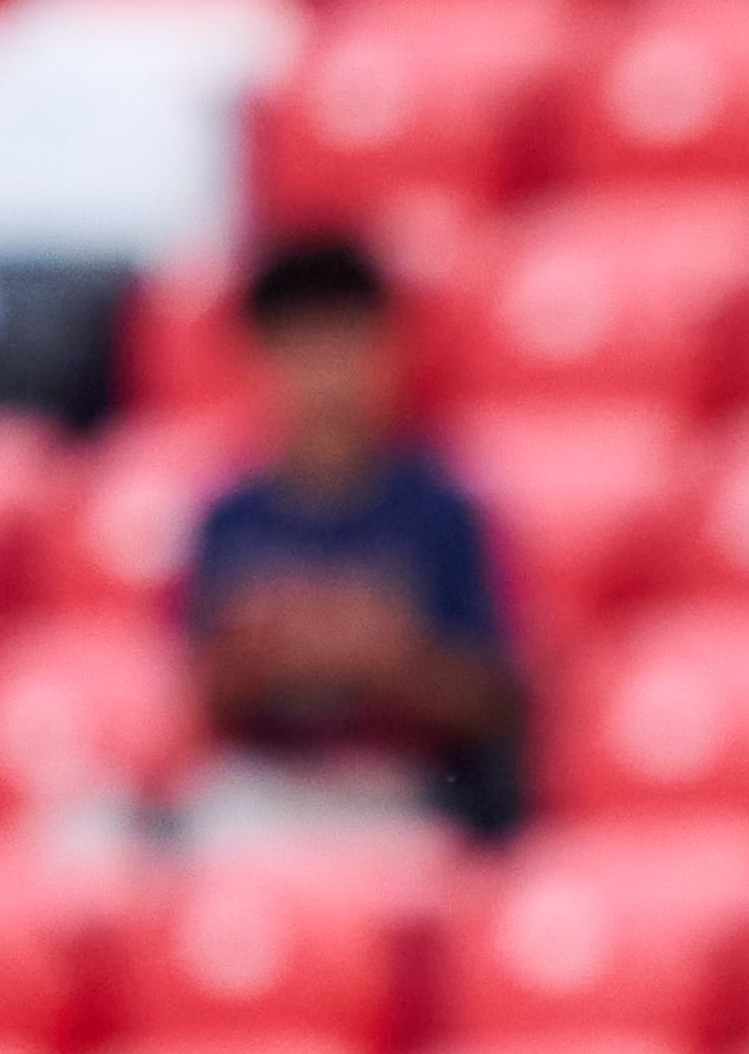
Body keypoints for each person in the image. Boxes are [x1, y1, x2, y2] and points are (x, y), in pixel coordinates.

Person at [179, 235, 527, 849]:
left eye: (343, 344)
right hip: (263, 792)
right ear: (259, 358)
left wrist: (393, 662)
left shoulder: (440, 512)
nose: (324, 376)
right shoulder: (228, 519)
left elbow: (499, 706)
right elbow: (199, 705)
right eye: (301, 349)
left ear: (389, 350)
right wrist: (259, 655)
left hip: (402, 796)